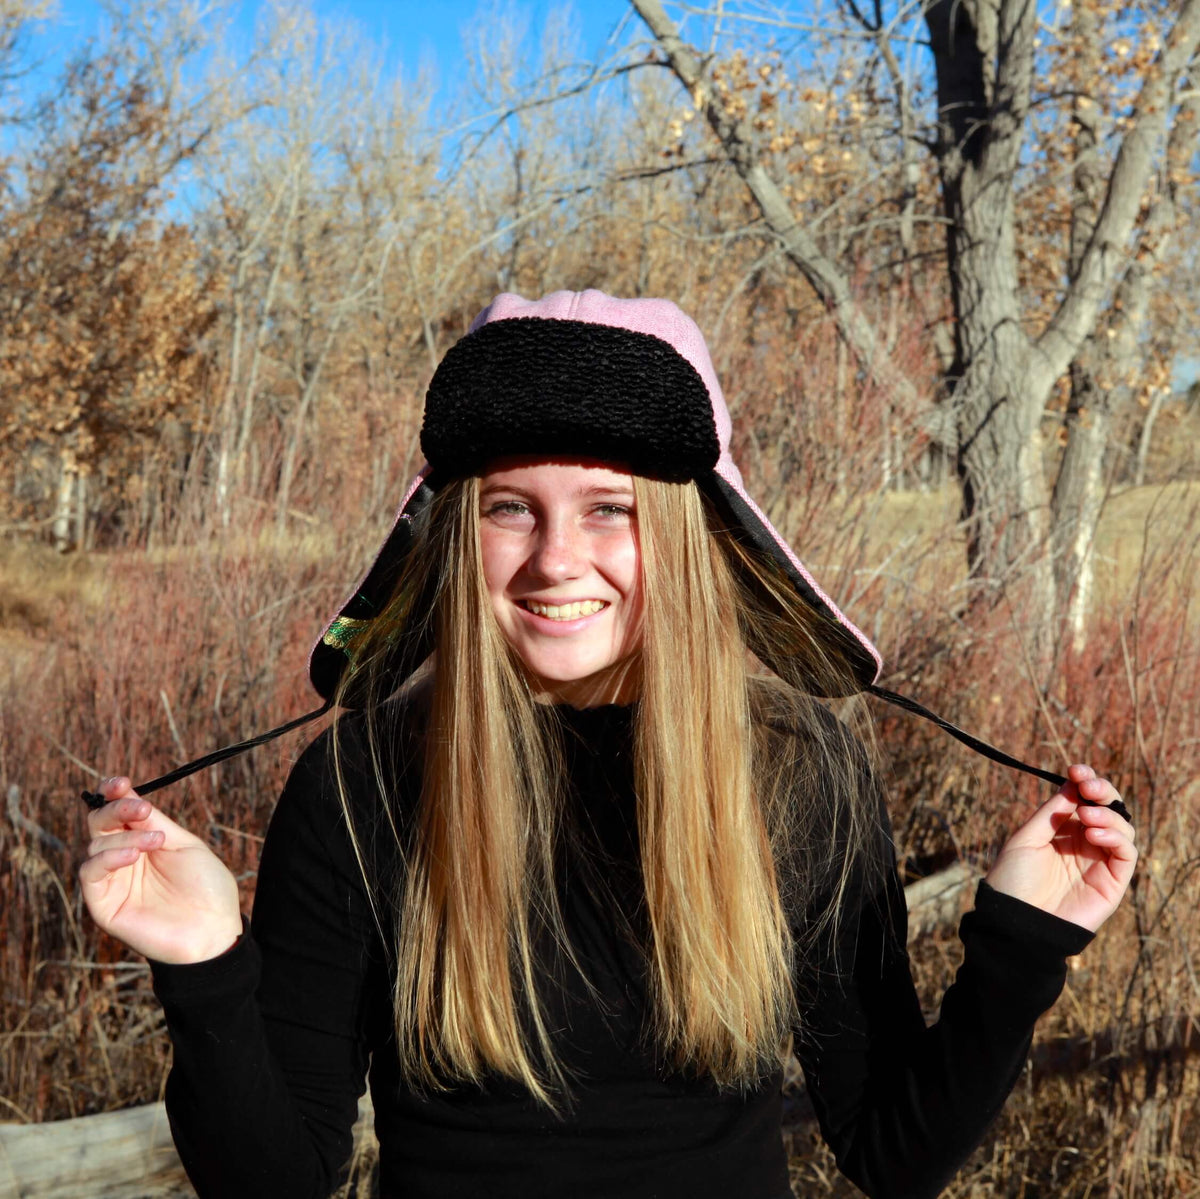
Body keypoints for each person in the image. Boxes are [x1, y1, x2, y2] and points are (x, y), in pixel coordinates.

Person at [79, 290, 1136, 1199]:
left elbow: (891, 1151)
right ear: (452, 531)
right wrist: (207, 966)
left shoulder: (799, 769)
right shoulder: (364, 780)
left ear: (684, 531)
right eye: (509, 508)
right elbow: (278, 1176)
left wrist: (1022, 942)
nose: (555, 559)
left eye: (609, 507)